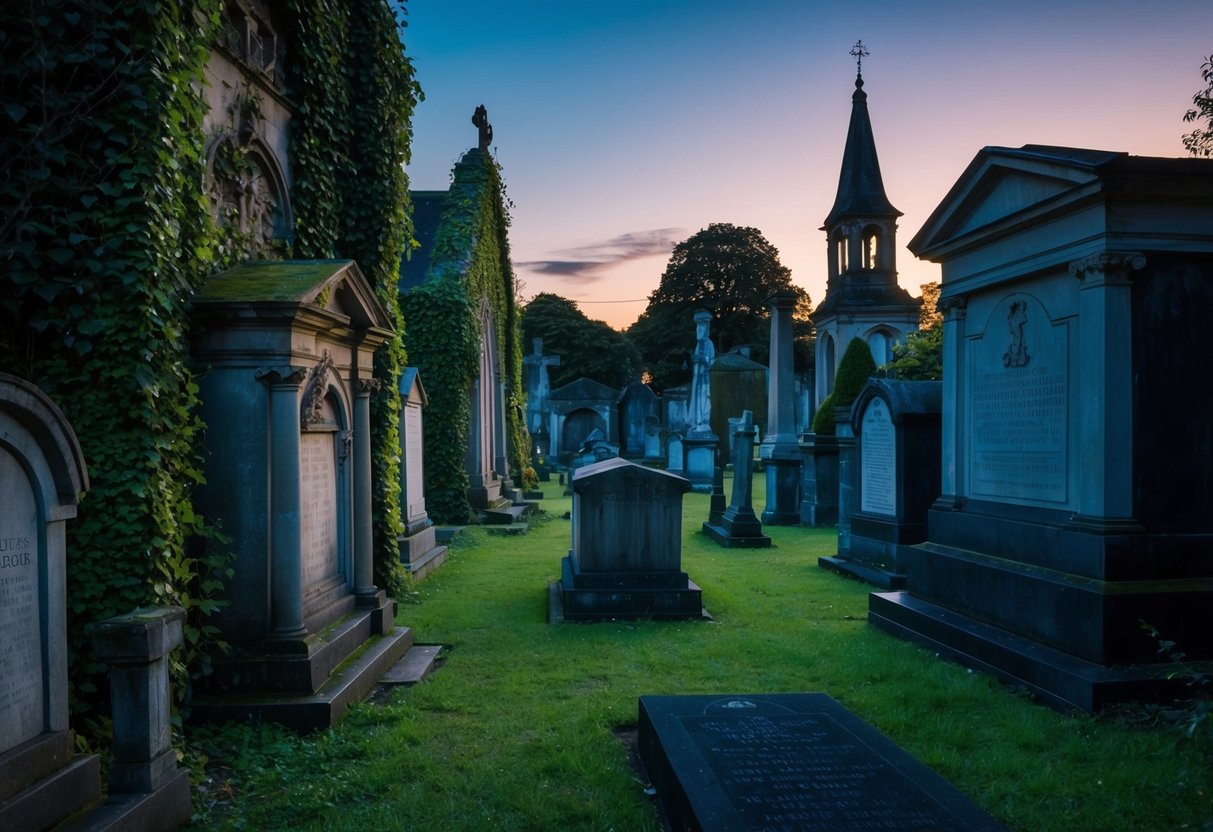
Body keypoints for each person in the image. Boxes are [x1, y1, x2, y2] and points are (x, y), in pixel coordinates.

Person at [689, 310, 715, 434]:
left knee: (704, 402)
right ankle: (696, 423)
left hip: (705, 379)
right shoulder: (698, 344)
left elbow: (711, 362)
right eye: (698, 326)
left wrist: (701, 359)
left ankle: (703, 423)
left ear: (706, 327)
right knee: (697, 401)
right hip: (697, 378)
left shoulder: (709, 344)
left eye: (701, 326)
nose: (699, 329)